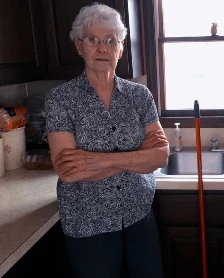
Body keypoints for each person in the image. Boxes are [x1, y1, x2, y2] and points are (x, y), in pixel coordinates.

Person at [43, 3, 169, 278]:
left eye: (111, 40)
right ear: (79, 46)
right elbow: (70, 171)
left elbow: (160, 155)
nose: (102, 48)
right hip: (88, 223)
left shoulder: (140, 95)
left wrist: (96, 160)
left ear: (121, 48)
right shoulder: (60, 100)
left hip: (138, 214)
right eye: (93, 40)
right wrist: (137, 157)